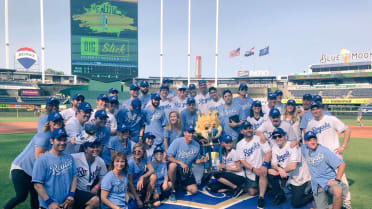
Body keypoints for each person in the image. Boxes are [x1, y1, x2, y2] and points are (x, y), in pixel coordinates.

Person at [3, 112, 64, 209]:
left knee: (36, 197)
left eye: (60, 122)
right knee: (21, 196)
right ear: (50, 123)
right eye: (55, 122)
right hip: (21, 168)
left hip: (32, 171)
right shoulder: (45, 136)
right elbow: (38, 156)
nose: (58, 124)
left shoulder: (56, 136)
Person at [306, 102, 352, 208]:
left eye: (317, 108)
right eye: (313, 109)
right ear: (311, 111)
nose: (315, 111)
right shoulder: (311, 123)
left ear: (321, 109)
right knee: (322, 184)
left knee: (342, 182)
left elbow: (347, 129)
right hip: (319, 159)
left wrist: (343, 146)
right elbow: (307, 140)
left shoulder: (331, 119)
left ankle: (347, 204)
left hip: (334, 156)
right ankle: (326, 204)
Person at [32, 128, 79, 209]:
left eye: (64, 140)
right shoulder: (42, 160)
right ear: (51, 141)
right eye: (59, 140)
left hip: (65, 204)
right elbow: (37, 184)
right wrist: (50, 203)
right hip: (48, 206)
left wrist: (71, 195)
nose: (62, 142)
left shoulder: (69, 158)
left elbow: (74, 177)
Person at [302, 131, 348, 209]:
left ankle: (339, 206)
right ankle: (339, 206)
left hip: (329, 181)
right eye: (310, 140)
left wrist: (337, 180)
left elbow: (342, 164)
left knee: (337, 190)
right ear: (305, 142)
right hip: (317, 185)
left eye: (314, 139)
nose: (312, 142)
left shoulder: (324, 151)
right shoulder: (304, 149)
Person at [268, 128, 313, 207]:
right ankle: (281, 195)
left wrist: (280, 171)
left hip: (299, 177)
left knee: (296, 203)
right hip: (287, 174)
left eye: (279, 136)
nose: (277, 138)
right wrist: (279, 169)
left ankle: (313, 193)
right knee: (269, 172)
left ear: (285, 136)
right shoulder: (275, 147)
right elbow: (273, 164)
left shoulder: (292, 146)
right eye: (275, 137)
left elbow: (293, 166)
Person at [166, 125, 207, 202]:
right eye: (189, 132)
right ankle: (172, 191)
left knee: (194, 190)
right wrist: (180, 163)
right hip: (176, 170)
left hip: (186, 171)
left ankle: (180, 184)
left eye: (192, 133)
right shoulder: (177, 141)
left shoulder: (196, 145)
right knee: (172, 165)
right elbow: (168, 157)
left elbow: (195, 160)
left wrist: (200, 161)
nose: (191, 134)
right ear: (184, 133)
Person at [236, 121, 271, 209]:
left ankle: (261, 197)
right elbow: (242, 160)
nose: (248, 130)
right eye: (246, 128)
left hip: (262, 166)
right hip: (251, 170)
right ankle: (264, 185)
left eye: (250, 128)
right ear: (242, 131)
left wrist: (264, 165)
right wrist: (252, 169)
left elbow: (268, 152)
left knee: (263, 172)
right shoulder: (239, 144)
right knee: (252, 192)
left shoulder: (259, 138)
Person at [72, 141, 106, 209]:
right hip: (75, 190)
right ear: (85, 149)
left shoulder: (100, 161)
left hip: (88, 191)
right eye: (92, 147)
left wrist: (97, 186)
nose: (95, 149)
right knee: (95, 200)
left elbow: (104, 176)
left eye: (97, 147)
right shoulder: (75, 157)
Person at [128, 143, 156, 208]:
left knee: (153, 177)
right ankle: (138, 196)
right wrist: (138, 199)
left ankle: (146, 201)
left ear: (143, 152)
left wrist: (142, 177)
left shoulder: (144, 159)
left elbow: (152, 170)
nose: (136, 153)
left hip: (140, 182)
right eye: (135, 151)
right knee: (135, 205)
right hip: (131, 186)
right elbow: (130, 183)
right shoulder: (131, 163)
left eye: (139, 151)